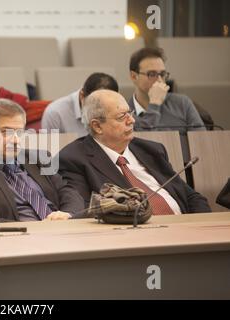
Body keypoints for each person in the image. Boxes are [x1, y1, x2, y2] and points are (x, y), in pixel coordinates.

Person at [58, 89, 211, 214]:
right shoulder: (74, 159)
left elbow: (191, 197)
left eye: (129, 113)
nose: (132, 120)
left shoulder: (151, 150)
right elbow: (86, 210)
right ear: (97, 126)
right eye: (121, 117)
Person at [0, 98, 85, 224]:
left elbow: (68, 191)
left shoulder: (39, 159)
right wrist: (30, 228)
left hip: (60, 231)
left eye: (20, 132)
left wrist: (67, 214)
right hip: (13, 241)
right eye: (6, 132)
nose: (15, 140)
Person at [128, 47, 205, 160]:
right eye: (152, 74)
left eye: (162, 74)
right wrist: (154, 104)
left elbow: (202, 143)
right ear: (134, 76)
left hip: (183, 168)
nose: (159, 80)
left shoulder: (182, 103)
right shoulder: (125, 112)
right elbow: (142, 147)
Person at [42, 72, 119, 136]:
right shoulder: (55, 113)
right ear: (82, 95)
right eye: (96, 105)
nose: (99, 112)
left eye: (105, 106)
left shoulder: (118, 110)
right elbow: (49, 152)